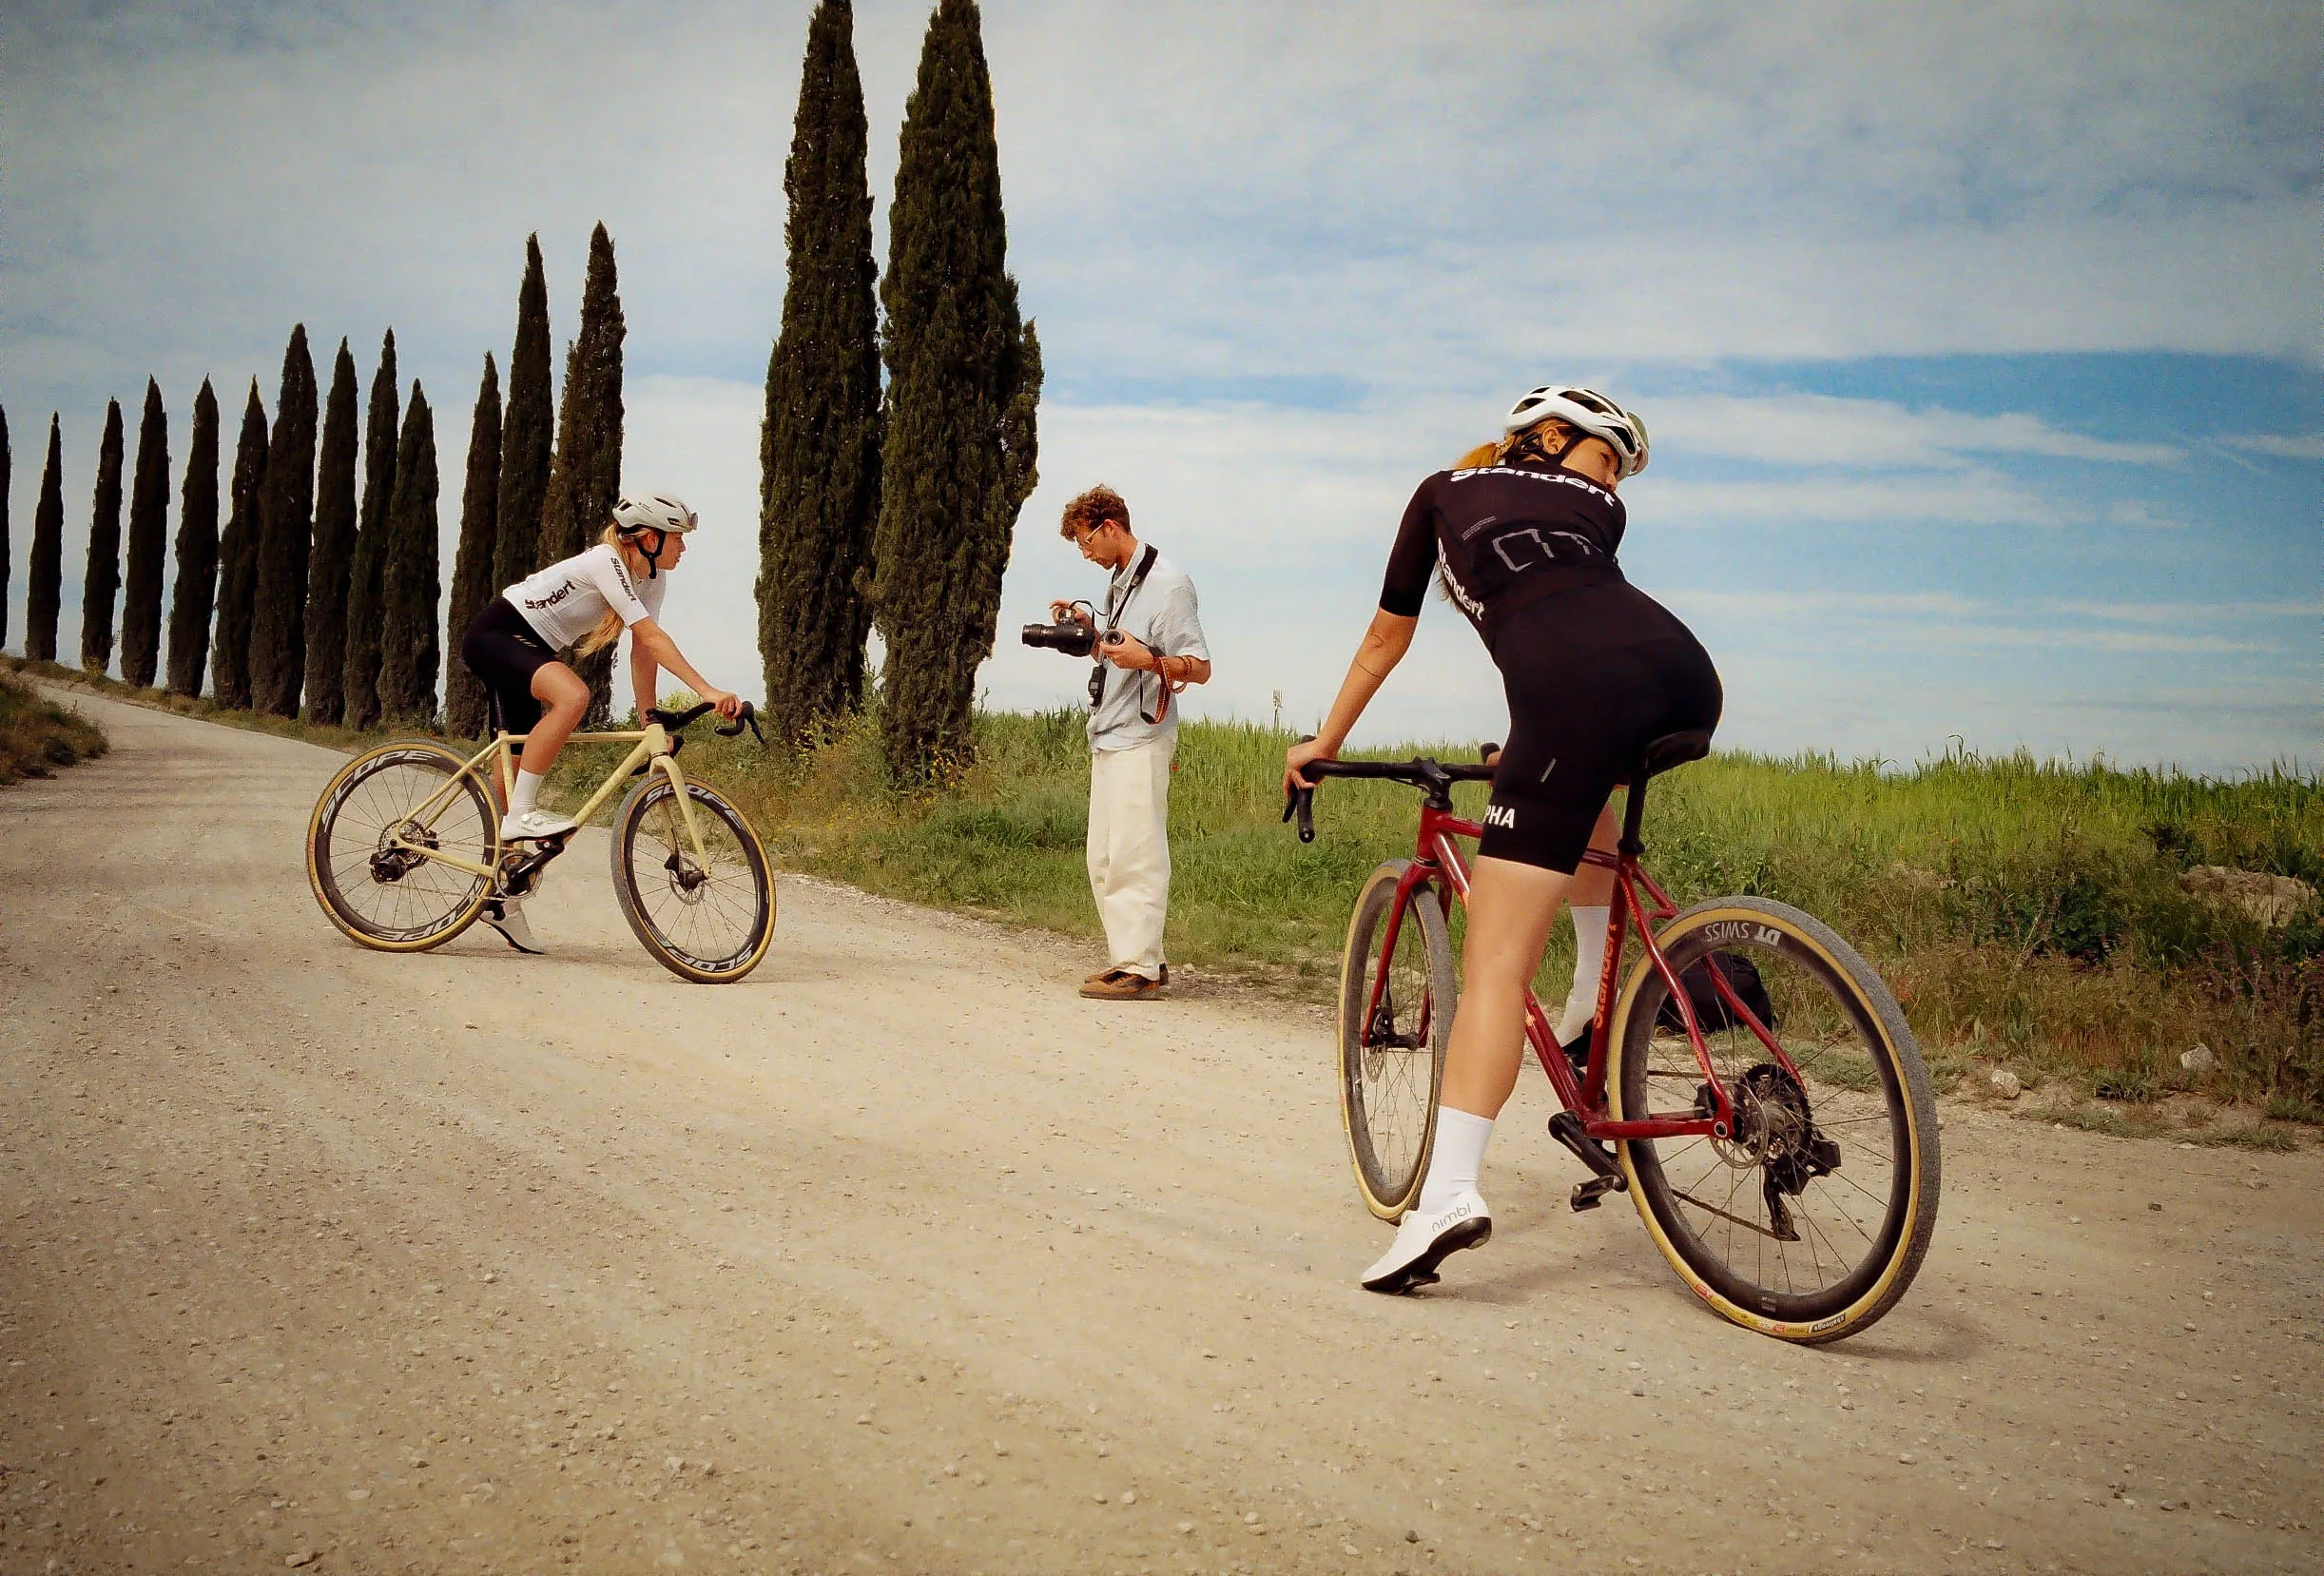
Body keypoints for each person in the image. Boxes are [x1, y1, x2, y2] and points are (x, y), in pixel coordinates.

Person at [1283, 386, 1722, 1293]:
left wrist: (1324, 743)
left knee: (1492, 969)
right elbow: (1575, 612)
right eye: (1609, 454)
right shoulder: (1600, 508)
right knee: (1582, 776)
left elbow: (1385, 638)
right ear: (1552, 438)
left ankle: (1446, 1195)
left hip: (1573, 696)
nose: (1616, 478)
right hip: (1684, 674)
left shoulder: (1440, 493)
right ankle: (1594, 995)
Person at [458, 492, 743, 954]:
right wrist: (707, 691)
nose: (683, 550)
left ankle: (500, 896)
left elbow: (643, 649)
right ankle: (520, 818)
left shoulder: (650, 578)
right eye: (678, 539)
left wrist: (649, 716)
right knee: (574, 696)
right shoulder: (605, 561)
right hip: (498, 634)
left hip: (530, 648)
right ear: (649, 539)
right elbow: (651, 635)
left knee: (512, 764)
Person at [1049, 485, 1211, 1001]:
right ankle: (1140, 959)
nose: (1085, 554)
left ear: (1110, 527)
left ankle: (1138, 969)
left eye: (1085, 542)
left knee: (1135, 854)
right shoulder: (1120, 584)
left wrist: (1149, 662)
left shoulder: (1169, 584)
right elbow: (1121, 648)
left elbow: (1200, 668)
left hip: (1143, 732)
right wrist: (1087, 634)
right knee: (1103, 856)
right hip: (1109, 731)